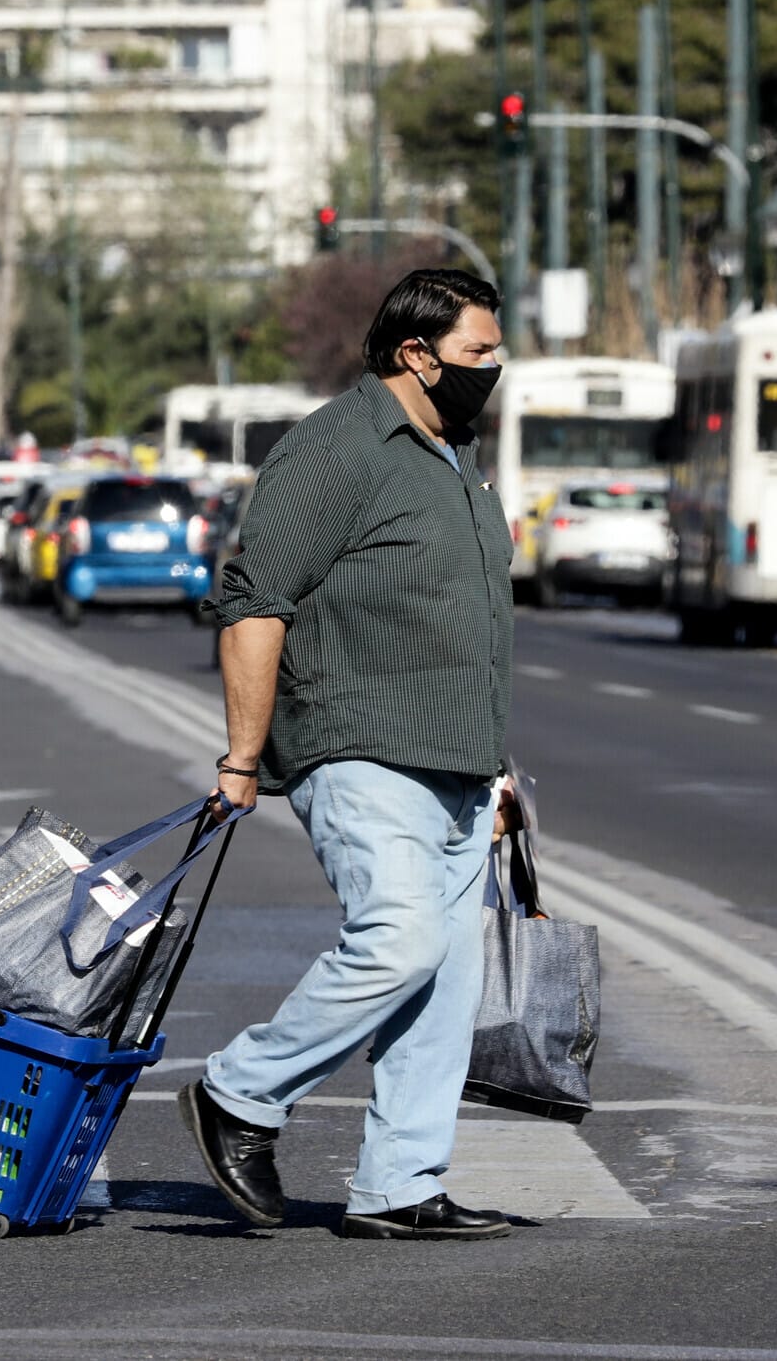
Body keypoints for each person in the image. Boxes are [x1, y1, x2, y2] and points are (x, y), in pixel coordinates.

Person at [184, 267, 517, 1241]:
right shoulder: (334, 451)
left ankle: (399, 1183)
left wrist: (498, 771)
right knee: (401, 939)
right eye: (477, 352)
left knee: (446, 977)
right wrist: (243, 757)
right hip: (358, 742)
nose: (492, 370)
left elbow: (472, 618)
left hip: (458, 759)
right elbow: (252, 601)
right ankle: (239, 1094)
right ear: (415, 353)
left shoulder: (456, 454)